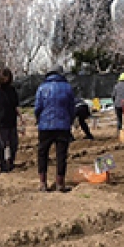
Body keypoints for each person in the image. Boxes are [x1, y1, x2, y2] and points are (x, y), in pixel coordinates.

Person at [34, 64, 75, 192]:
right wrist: (70, 121)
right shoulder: (67, 88)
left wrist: (38, 119)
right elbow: (72, 108)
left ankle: (43, 183)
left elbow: (37, 107)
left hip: (45, 125)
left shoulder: (42, 88)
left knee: (42, 153)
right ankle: (60, 184)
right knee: (61, 155)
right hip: (63, 125)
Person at [0, 68, 22, 173]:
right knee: (2, 144)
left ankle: (10, 162)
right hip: (0, 122)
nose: (5, 80)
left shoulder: (12, 90)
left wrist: (21, 117)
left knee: (14, 143)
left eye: (6, 78)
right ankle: (2, 165)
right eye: (3, 78)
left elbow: (16, 105)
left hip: (12, 121)